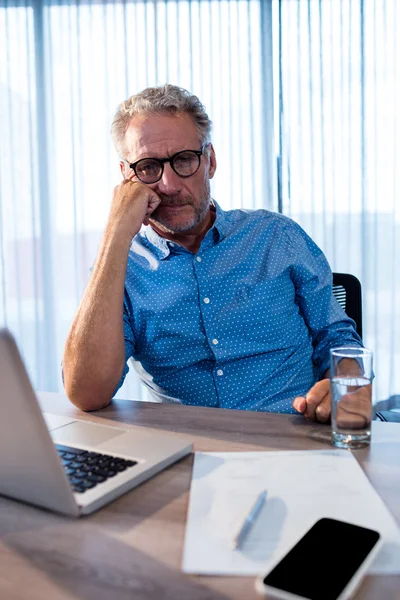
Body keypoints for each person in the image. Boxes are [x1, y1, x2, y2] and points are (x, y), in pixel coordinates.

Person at [63, 84, 364, 422]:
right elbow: (87, 394)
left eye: (184, 160)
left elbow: (339, 342)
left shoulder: (276, 237)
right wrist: (115, 233)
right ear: (126, 178)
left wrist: (346, 390)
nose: (169, 185)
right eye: (148, 167)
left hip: (294, 438)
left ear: (210, 161)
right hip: (189, 453)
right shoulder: (122, 269)